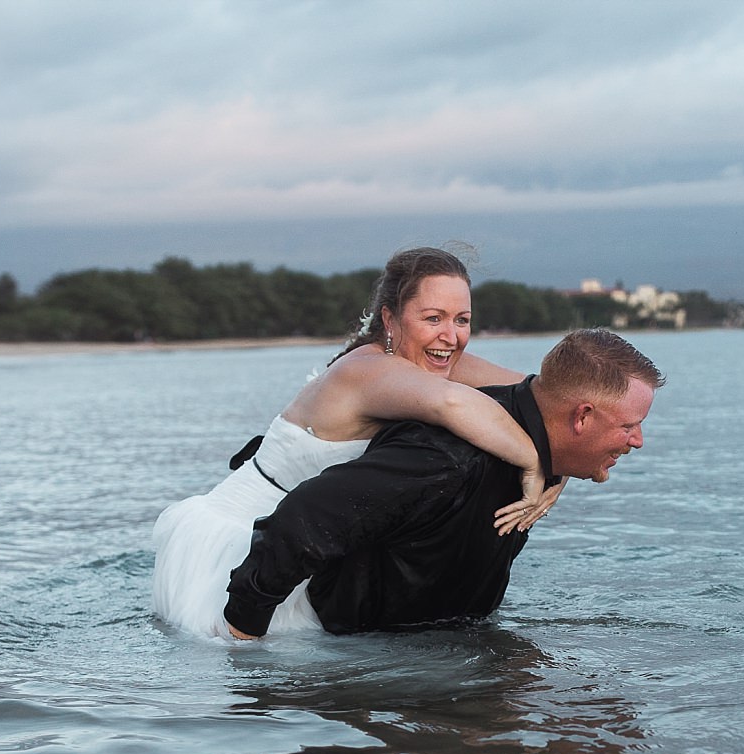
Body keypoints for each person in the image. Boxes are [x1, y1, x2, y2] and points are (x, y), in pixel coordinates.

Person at [151, 247, 559, 639]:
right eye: (433, 318)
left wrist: (560, 466)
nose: (450, 336)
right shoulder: (366, 371)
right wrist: (533, 463)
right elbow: (453, 404)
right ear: (390, 319)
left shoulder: (432, 359)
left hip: (308, 543)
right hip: (242, 543)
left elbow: (539, 398)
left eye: (462, 319)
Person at [224, 328, 663, 638]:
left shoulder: (542, 439)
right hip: (364, 666)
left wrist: (558, 469)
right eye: (629, 426)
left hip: (449, 645)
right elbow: (303, 520)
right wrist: (245, 648)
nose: (639, 441)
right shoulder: (447, 459)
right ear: (582, 417)